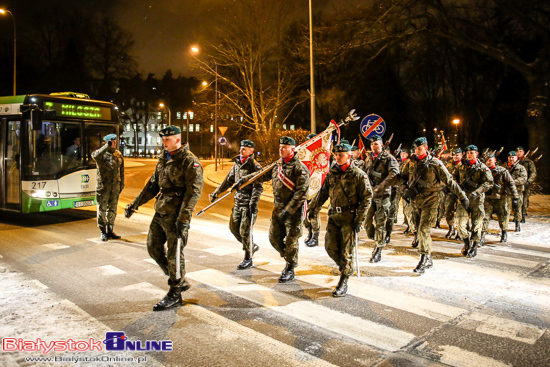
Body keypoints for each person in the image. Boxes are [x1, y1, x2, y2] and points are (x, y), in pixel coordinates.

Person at [125, 126, 203, 311]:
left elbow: (193, 192)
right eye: (163, 139)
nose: (164, 142)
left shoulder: (189, 161)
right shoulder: (163, 159)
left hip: (177, 215)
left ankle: (175, 292)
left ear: (177, 139)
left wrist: (184, 218)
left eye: (167, 140)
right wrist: (134, 205)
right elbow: (152, 185)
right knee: (153, 247)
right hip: (161, 210)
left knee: (174, 253)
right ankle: (178, 279)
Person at [237, 136, 310, 283]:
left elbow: (301, 193)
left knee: (291, 240)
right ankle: (289, 256)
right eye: (280, 147)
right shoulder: (277, 165)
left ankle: (290, 267)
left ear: (292, 149)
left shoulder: (300, 168)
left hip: (294, 211)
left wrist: (288, 211)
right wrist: (244, 179)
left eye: (284, 147)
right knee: (273, 238)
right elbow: (261, 175)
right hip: (278, 208)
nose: (281, 149)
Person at [308, 143, 372, 297]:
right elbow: (323, 193)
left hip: (349, 218)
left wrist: (360, 219)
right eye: (336, 155)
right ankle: (346, 267)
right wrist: (313, 209)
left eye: (341, 155)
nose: (337, 157)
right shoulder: (332, 173)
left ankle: (344, 279)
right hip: (333, 216)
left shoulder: (358, 174)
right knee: (330, 247)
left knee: (347, 251)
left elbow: (367, 197)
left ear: (349, 156)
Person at [400, 137, 468, 273]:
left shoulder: (435, 163)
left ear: (426, 147)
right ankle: (429, 257)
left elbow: (449, 181)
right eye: (415, 149)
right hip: (415, 202)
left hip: (431, 201)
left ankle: (424, 258)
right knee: (417, 229)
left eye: (420, 148)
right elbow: (401, 177)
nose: (417, 151)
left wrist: (462, 196)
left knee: (424, 229)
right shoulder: (411, 162)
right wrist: (404, 190)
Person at [209, 139, 263, 269]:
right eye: (241, 148)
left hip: (248, 204)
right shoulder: (237, 163)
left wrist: (253, 204)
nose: (241, 150)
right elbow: (228, 180)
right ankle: (251, 245)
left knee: (245, 231)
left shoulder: (255, 166)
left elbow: (258, 187)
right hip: (238, 202)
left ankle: (248, 258)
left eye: (244, 148)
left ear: (251, 151)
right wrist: (216, 192)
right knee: (233, 228)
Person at [363, 135, 399, 263]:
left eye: (376, 144)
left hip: (383, 195)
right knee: (366, 222)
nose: (374, 146)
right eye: (372, 144)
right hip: (369, 195)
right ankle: (378, 238)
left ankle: (378, 249)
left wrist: (381, 186)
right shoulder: (368, 159)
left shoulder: (389, 159)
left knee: (380, 223)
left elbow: (394, 173)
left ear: (382, 145)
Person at [453, 145, 493, 257]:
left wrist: (477, 191)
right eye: (468, 153)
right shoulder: (460, 166)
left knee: (477, 224)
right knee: (460, 225)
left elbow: (489, 182)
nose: (470, 154)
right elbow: (453, 178)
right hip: (463, 198)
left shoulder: (482, 167)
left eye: (472, 152)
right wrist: (459, 190)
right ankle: (466, 243)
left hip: (477, 199)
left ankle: (475, 245)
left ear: (477, 153)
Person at [91, 133, 124, 241]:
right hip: (103, 187)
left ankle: (110, 230)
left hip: (115, 187)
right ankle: (103, 231)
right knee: (102, 209)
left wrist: (122, 184)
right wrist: (106, 146)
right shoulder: (102, 154)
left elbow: (122, 171)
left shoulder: (118, 154)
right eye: (112, 142)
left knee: (113, 210)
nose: (114, 143)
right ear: (107, 142)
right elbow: (94, 155)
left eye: (115, 141)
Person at [483, 154, 518, 243]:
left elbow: (511, 183)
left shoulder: (502, 171)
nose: (488, 162)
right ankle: (482, 235)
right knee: (484, 217)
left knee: (503, 216)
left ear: (495, 160)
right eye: (487, 160)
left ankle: (504, 232)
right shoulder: (483, 171)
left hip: (500, 198)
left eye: (490, 160)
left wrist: (515, 197)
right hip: (487, 198)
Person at [303, 133, 321, 247]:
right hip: (305, 188)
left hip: (316, 188)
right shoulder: (304, 155)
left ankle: (315, 236)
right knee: (305, 213)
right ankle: (309, 232)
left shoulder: (319, 155)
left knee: (313, 213)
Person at [506, 151, 528, 232]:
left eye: (513, 157)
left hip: (517, 191)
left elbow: (523, 178)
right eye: (509, 157)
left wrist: (512, 182)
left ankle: (517, 223)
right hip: (506, 192)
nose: (511, 159)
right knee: (506, 209)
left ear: (516, 158)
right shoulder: (505, 167)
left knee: (517, 208)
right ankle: (504, 226)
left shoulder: (521, 168)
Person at [444, 148, 463, 239]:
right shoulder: (448, 165)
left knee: (461, 213)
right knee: (448, 210)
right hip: (450, 192)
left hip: (461, 192)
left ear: (461, 155)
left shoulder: (464, 165)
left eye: (457, 155)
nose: (455, 156)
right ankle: (451, 228)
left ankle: (460, 231)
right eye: (454, 155)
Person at [516, 146, 537, 222]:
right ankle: (517, 215)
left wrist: (528, 182)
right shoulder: (514, 162)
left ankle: (523, 215)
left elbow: (533, 173)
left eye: (520, 151)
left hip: (525, 184)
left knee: (524, 199)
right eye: (517, 152)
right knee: (515, 200)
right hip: (515, 184)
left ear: (523, 152)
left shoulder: (529, 162)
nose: (519, 153)